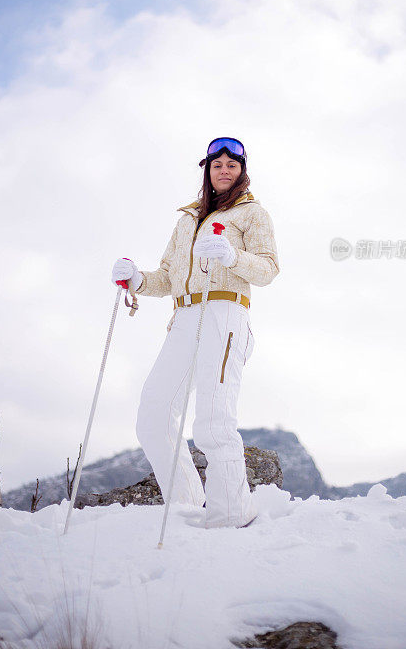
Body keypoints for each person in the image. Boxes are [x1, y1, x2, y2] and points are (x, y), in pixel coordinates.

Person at [111, 137, 279, 528]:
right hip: (184, 316)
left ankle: (233, 513)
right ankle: (186, 505)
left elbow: (269, 268)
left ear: (242, 171)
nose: (224, 170)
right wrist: (136, 279)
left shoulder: (253, 214)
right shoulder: (187, 218)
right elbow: (168, 277)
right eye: (217, 164)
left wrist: (233, 256)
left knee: (213, 420)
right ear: (207, 169)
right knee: (153, 414)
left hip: (225, 311)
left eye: (231, 165)